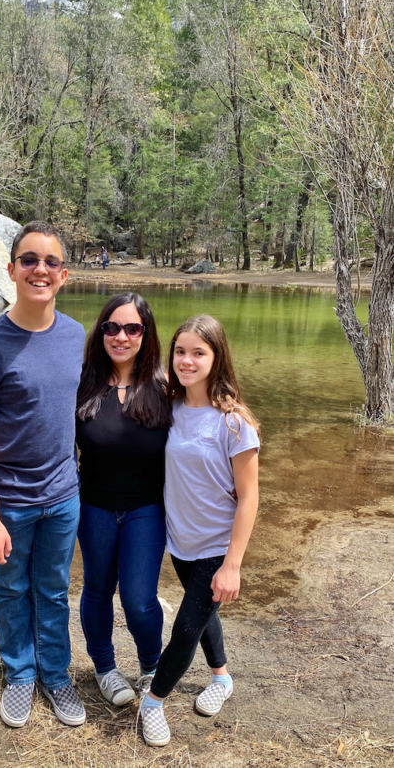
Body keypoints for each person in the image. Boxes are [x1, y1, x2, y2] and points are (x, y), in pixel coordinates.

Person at [0, 221, 86, 729]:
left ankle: (55, 676)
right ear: (11, 270)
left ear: (64, 274)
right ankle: (19, 675)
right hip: (9, 499)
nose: (40, 270)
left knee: (53, 590)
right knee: (11, 590)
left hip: (62, 495)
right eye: (29, 260)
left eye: (50, 262)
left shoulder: (76, 335)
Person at [139, 314, 260, 748]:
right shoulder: (169, 407)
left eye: (198, 352)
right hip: (181, 542)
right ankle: (221, 678)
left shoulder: (233, 422)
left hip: (216, 546)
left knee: (187, 627)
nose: (187, 361)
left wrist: (232, 565)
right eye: (180, 352)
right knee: (203, 616)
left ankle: (153, 702)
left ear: (217, 356)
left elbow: (249, 498)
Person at [75, 293, 171, 708]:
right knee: (97, 589)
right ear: (101, 332)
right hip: (93, 505)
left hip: (145, 508)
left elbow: (206, 420)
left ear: (145, 334)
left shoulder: (167, 386)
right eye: (111, 327)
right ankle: (105, 668)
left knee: (138, 599)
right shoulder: (82, 382)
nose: (120, 336)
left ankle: (152, 666)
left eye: (132, 328)